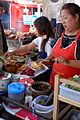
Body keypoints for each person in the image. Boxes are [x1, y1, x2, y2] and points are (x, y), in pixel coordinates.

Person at [45, 3, 80, 90]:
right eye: (61, 18)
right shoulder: (61, 34)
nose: (63, 21)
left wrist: (68, 62)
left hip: (70, 88)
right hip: (54, 81)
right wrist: (46, 60)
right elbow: (53, 52)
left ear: (76, 17)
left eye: (65, 18)